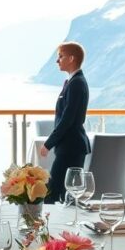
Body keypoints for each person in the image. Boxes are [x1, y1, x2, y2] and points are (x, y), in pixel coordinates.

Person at [40, 41, 91, 203]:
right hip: (70, 146)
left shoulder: (76, 83)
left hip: (71, 147)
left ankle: (47, 220)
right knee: (63, 195)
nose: (57, 60)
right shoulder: (73, 81)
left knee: (53, 193)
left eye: (60, 56)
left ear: (71, 58)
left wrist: (48, 143)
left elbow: (67, 119)